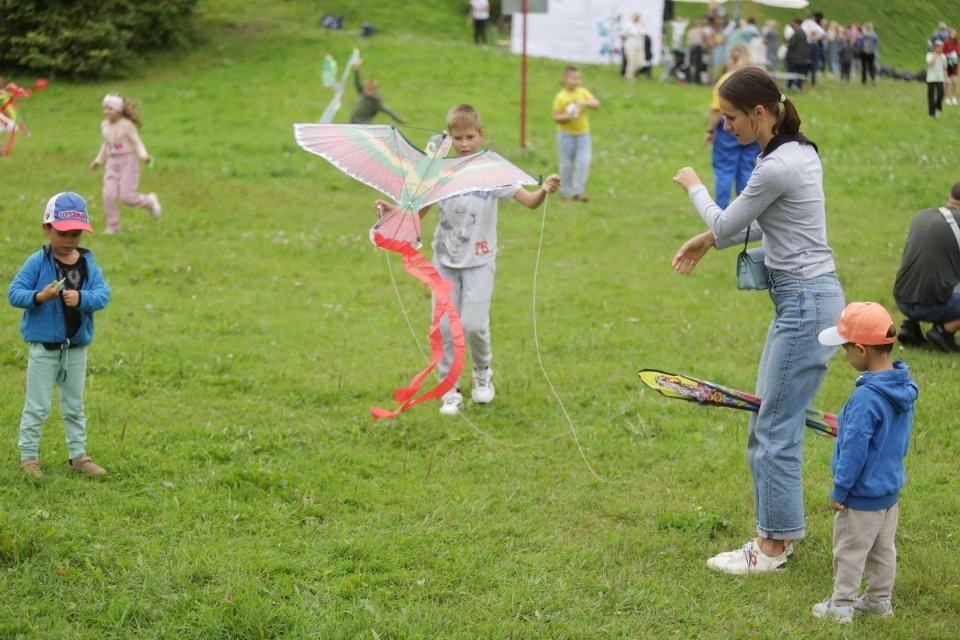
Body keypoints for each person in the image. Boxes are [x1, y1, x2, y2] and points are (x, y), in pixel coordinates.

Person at [672, 66, 846, 574]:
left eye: (730, 118)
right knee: (771, 419)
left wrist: (695, 187)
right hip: (806, 299)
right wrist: (709, 242)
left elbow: (728, 219)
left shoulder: (775, 166)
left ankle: (771, 549)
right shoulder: (798, 152)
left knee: (773, 427)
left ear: (760, 112)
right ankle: (778, 536)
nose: (726, 127)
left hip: (805, 303)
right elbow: (772, 224)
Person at [400, 104, 559, 415]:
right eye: (457, 138)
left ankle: (482, 372)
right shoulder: (440, 173)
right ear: (449, 138)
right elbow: (417, 213)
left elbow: (529, 202)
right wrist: (390, 213)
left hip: (480, 263)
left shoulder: (492, 171)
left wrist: (543, 189)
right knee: (444, 328)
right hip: (444, 263)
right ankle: (449, 389)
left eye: (470, 137)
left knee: (473, 326)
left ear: (481, 135)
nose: (464, 144)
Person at [812, 302, 918, 623]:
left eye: (846, 348)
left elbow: (854, 451)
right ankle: (878, 601)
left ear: (860, 350)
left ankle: (841, 605)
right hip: (888, 490)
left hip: (861, 494)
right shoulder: (903, 386)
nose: (845, 355)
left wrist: (841, 489)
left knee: (850, 549)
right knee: (883, 548)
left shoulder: (865, 398)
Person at [8, 192, 112, 478]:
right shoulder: (37, 262)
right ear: (47, 227)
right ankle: (29, 458)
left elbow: (103, 295)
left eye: (75, 234)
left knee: (75, 406)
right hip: (44, 349)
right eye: (62, 233)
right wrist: (39, 296)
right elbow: (14, 293)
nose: (69, 240)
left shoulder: (88, 264)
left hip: (75, 349)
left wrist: (82, 298)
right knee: (37, 406)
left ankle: (78, 456)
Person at [892, 181, 960, 353]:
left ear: (948, 197)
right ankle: (945, 330)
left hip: (902, 300)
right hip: (935, 306)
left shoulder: (921, 216)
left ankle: (910, 326)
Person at [90, 93, 161, 235]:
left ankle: (149, 201)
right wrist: (99, 160)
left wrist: (144, 155)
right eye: (105, 108)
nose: (106, 111)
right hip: (112, 163)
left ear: (119, 110)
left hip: (128, 162)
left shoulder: (126, 125)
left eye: (110, 108)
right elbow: (106, 144)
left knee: (127, 197)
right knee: (108, 194)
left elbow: (136, 142)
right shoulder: (104, 125)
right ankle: (113, 227)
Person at [704, 44, 760, 210]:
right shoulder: (756, 79)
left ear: (734, 60)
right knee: (747, 168)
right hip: (753, 128)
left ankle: (721, 211)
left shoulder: (726, 81)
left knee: (725, 169)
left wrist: (709, 131)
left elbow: (717, 110)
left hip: (728, 130)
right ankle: (747, 211)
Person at [552, 66, 599, 202]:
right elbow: (556, 117)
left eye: (579, 78)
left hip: (583, 135)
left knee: (584, 162)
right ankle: (564, 193)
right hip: (566, 135)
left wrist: (584, 103)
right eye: (574, 78)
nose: (577, 81)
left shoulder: (582, 93)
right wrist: (570, 115)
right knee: (566, 164)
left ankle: (579, 191)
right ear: (565, 79)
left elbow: (596, 104)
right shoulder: (561, 97)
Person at [348, 58, 407, 125]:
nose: (369, 92)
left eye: (371, 90)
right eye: (367, 89)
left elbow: (388, 111)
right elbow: (357, 83)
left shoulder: (376, 102)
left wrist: (399, 119)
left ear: (375, 90)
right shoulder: (363, 93)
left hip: (364, 126)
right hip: (353, 123)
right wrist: (357, 69)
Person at [619, 12, 647, 81]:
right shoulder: (628, 25)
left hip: (640, 46)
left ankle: (630, 73)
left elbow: (643, 34)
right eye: (635, 16)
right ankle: (629, 76)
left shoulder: (640, 25)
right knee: (631, 61)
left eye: (638, 17)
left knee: (640, 63)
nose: (637, 18)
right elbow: (622, 34)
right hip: (630, 45)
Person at [926, 39, 948, 118]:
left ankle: (937, 108)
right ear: (935, 47)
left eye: (942, 47)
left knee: (941, 94)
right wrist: (934, 55)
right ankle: (932, 113)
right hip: (931, 78)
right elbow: (930, 63)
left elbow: (945, 68)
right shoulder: (929, 55)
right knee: (931, 96)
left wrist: (946, 79)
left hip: (940, 78)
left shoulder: (943, 57)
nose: (941, 49)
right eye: (940, 47)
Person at [943, 29, 959, 105]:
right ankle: (946, 98)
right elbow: (943, 53)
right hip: (947, 63)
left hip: (954, 63)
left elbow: (958, 52)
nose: (954, 35)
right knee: (947, 82)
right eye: (952, 34)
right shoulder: (946, 42)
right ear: (949, 34)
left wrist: (957, 54)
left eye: (955, 34)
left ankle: (953, 97)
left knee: (954, 81)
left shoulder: (958, 43)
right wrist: (948, 55)